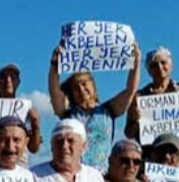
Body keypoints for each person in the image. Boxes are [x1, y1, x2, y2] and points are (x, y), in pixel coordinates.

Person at [48, 42, 141, 171]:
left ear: (93, 85)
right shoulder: (68, 114)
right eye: (76, 87)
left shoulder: (109, 110)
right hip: (72, 175)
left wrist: (135, 62)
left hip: (101, 176)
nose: (81, 89)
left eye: (84, 83)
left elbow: (130, 90)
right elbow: (54, 92)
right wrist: (54, 66)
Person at [125, 47, 179, 144]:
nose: (159, 67)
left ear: (171, 65)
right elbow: (129, 133)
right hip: (151, 154)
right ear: (149, 71)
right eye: (154, 65)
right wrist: (136, 121)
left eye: (163, 62)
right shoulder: (139, 97)